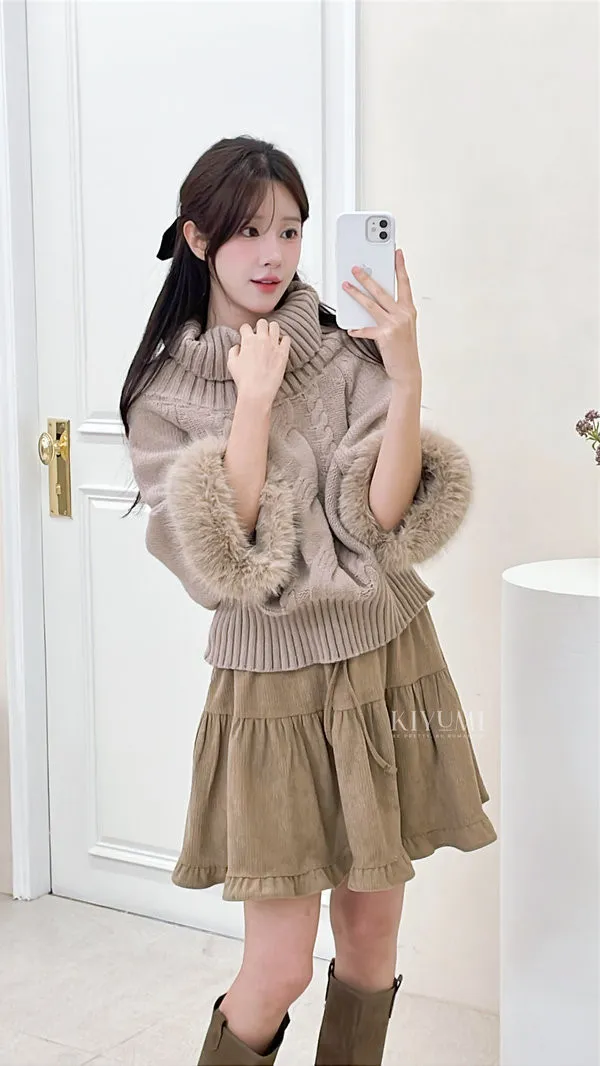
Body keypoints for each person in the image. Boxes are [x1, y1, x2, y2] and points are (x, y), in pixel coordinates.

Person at [120, 135, 497, 1066]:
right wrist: (250, 402)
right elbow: (226, 561)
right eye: (250, 232)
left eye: (289, 230)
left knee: (370, 944)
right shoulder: (161, 397)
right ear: (197, 237)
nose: (274, 254)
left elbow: (381, 520)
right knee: (280, 966)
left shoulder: (340, 347)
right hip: (272, 691)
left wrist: (405, 374)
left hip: (387, 660)